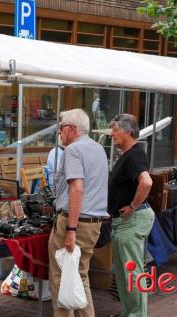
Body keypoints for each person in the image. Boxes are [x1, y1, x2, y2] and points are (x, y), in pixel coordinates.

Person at [48, 109, 109, 317]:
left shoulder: (72, 151)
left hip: (75, 222)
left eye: (61, 127)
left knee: (61, 279)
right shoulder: (99, 149)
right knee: (80, 278)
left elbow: (77, 188)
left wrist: (71, 229)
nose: (60, 132)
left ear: (72, 129)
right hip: (93, 223)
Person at [108, 114, 154, 317]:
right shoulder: (128, 154)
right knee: (124, 273)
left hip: (131, 220)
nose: (112, 133)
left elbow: (147, 182)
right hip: (124, 222)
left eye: (115, 129)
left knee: (132, 273)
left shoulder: (134, 155)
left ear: (128, 131)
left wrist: (133, 206)